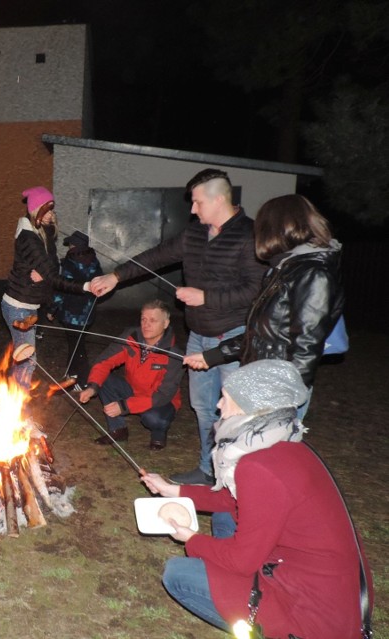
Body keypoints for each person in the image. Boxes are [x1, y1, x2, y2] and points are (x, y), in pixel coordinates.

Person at [140, 359, 373, 638]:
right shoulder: (283, 444)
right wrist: (172, 489)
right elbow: (231, 500)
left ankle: (265, 631)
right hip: (325, 583)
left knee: (178, 575)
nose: (218, 406)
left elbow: (242, 561)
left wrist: (191, 539)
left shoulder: (258, 467)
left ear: (247, 405)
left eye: (225, 398)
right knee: (226, 516)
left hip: (312, 610)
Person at [97, 169, 266, 485]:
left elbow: (257, 289)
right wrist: (116, 276)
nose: (192, 209)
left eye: (198, 202)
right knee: (202, 409)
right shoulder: (195, 234)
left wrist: (207, 296)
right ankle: (207, 469)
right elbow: (156, 256)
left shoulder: (249, 235)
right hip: (198, 336)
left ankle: (237, 475)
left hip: (232, 336)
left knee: (235, 411)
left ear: (218, 199)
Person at [184, 194, 344, 419]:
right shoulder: (283, 269)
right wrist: (212, 356)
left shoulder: (313, 274)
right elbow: (261, 334)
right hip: (260, 378)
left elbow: (306, 349)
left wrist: (274, 398)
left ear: (278, 227)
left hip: (276, 389)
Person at [2, 186, 108, 386]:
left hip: (28, 305)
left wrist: (48, 229)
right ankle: (17, 410)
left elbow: (50, 266)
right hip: (18, 306)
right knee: (27, 361)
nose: (52, 213)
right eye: (47, 209)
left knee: (23, 357)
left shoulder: (40, 233)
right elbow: (53, 276)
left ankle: (11, 401)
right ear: (37, 210)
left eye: (52, 209)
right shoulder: (29, 238)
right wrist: (85, 287)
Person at [78, 300, 183, 450]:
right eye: (143, 319)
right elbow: (104, 361)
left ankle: (159, 434)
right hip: (133, 390)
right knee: (103, 378)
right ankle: (118, 430)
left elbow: (163, 395)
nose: (146, 325)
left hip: (160, 401)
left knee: (153, 419)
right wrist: (92, 387)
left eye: (153, 320)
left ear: (165, 323)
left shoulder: (174, 354)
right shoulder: (131, 338)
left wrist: (125, 406)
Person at [46, 230, 104, 385]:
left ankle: (84, 380)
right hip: (88, 313)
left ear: (75, 245)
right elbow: (101, 285)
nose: (69, 246)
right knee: (76, 343)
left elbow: (61, 288)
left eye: (70, 243)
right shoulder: (94, 262)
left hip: (71, 313)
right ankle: (71, 373)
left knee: (77, 346)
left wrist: (52, 309)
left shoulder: (68, 263)